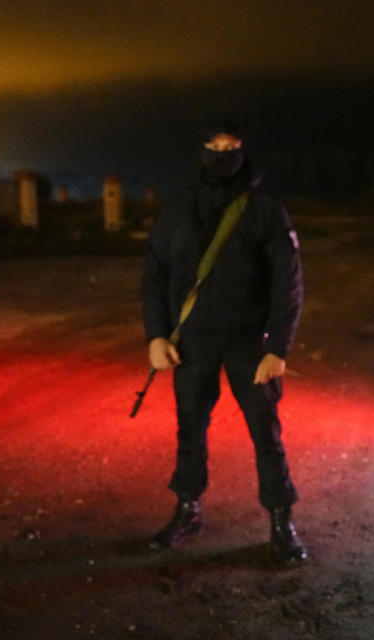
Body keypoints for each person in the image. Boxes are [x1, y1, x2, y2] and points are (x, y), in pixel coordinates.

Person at [142, 120, 306, 563]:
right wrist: (157, 335)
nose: (221, 151)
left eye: (229, 143)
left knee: (265, 432)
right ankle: (187, 509)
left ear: (243, 148)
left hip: (249, 342)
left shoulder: (265, 210)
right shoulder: (178, 209)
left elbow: (286, 284)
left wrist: (278, 349)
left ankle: (280, 520)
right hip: (192, 343)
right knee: (190, 429)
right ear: (201, 149)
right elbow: (155, 275)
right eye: (213, 144)